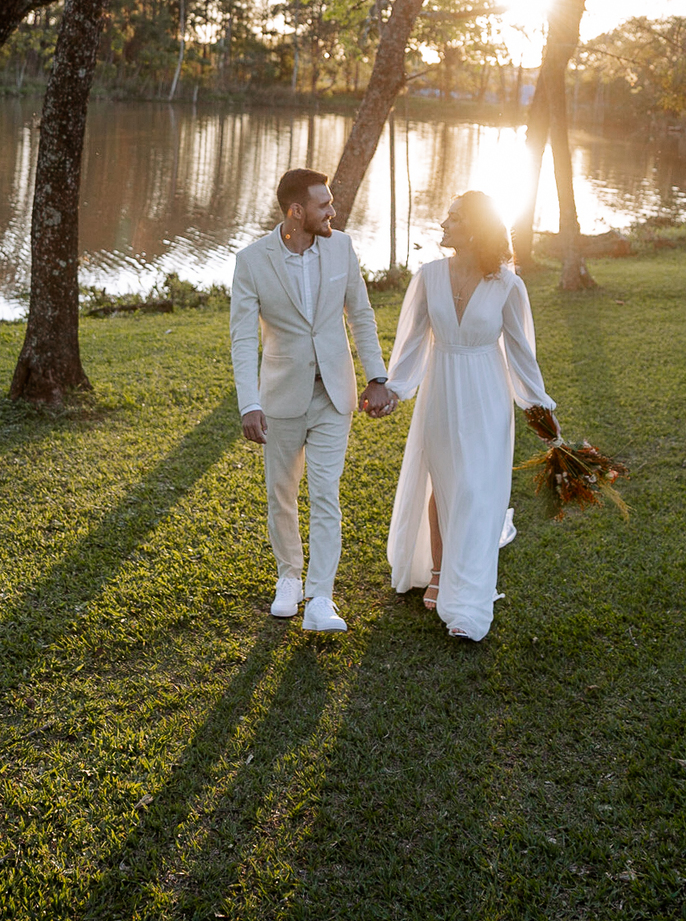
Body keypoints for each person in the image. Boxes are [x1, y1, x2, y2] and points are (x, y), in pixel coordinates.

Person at [385, 190, 560, 642]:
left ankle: (470, 601)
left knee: (479, 491)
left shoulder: (508, 284)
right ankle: (440, 571)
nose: (444, 223)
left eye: (455, 217)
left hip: (486, 393)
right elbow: (410, 345)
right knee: (443, 484)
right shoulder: (427, 276)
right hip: (442, 389)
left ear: (476, 228)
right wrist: (394, 390)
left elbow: (522, 353)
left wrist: (538, 405)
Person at [230, 168, 395, 632]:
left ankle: (321, 597)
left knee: (326, 494)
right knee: (280, 494)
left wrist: (376, 376)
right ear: (296, 211)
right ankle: (289, 579)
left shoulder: (341, 247)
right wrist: (249, 403)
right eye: (324, 205)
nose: (332, 211)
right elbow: (243, 340)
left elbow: (361, 316)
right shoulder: (251, 261)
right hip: (280, 396)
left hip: (334, 395)